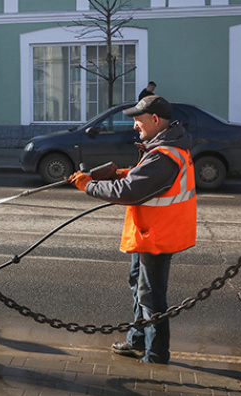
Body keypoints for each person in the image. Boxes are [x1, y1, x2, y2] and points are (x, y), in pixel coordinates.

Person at [67, 95, 196, 364]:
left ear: (155, 120)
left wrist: (88, 185)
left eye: (138, 119)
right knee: (139, 286)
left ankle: (156, 355)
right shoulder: (163, 146)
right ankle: (137, 342)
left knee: (150, 296)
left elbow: (130, 192)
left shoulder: (165, 155)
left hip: (158, 236)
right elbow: (144, 180)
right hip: (149, 231)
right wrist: (122, 173)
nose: (135, 125)